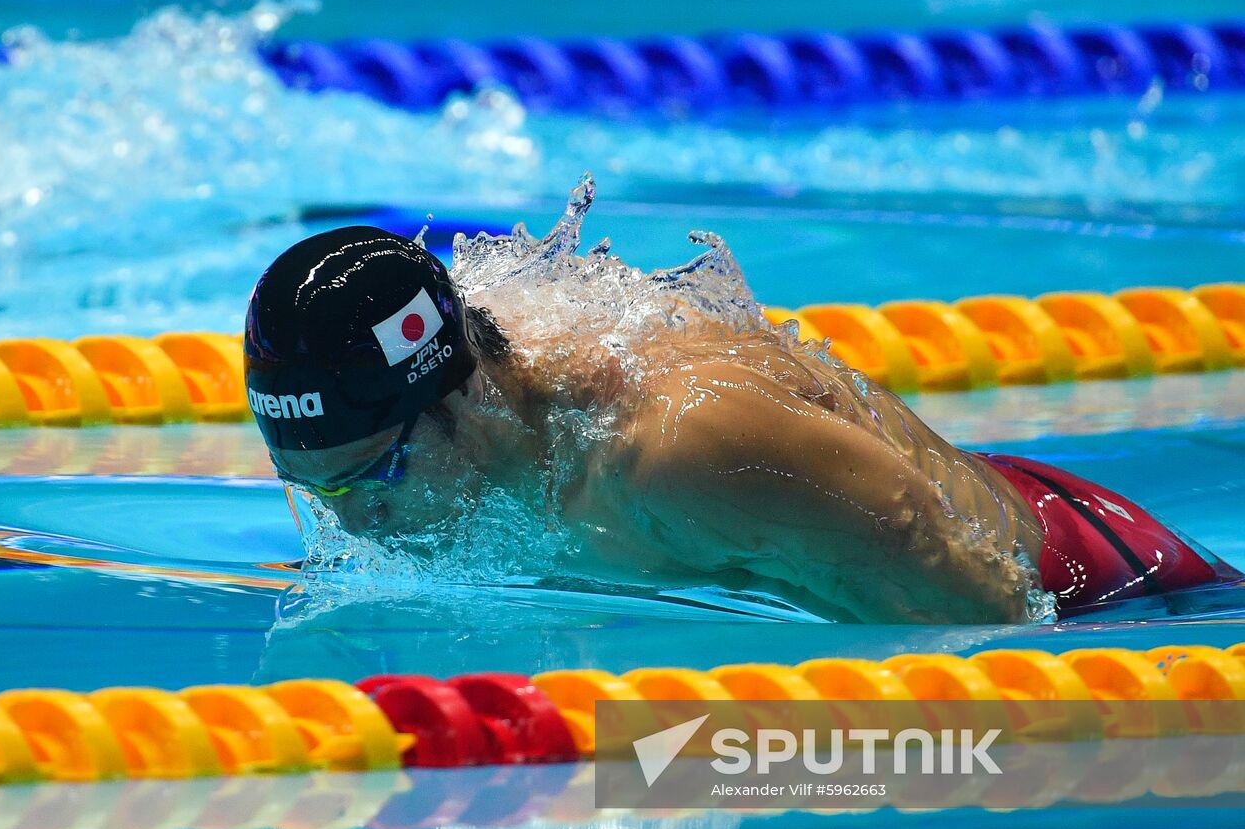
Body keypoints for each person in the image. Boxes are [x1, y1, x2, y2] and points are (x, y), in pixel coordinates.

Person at [244, 226, 1235, 624]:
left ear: (458, 399)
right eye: (316, 487)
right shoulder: (480, 363)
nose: (354, 521)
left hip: (1095, 578)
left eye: (369, 478)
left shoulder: (676, 451)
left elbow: (969, 615)